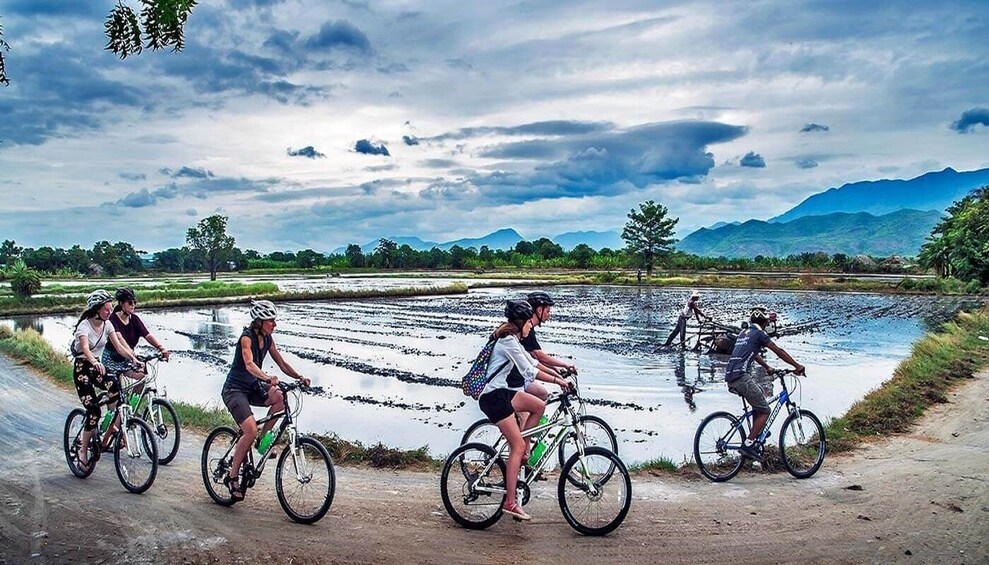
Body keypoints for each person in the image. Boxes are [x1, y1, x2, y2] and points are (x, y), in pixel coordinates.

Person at [477, 300, 572, 521]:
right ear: (522, 322)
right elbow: (529, 370)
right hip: (494, 398)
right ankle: (510, 502)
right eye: (529, 322)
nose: (531, 326)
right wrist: (559, 382)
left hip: (504, 393)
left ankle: (524, 451)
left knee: (538, 405)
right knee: (516, 445)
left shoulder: (514, 340)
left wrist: (559, 375)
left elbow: (534, 363)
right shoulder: (508, 341)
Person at [221, 299, 310, 502]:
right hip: (234, 390)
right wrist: (267, 377)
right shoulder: (247, 338)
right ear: (260, 321)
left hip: (252, 387)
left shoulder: (268, 339)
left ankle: (262, 440)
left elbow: (281, 362)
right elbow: (250, 364)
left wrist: (299, 377)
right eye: (271, 320)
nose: (274, 324)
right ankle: (232, 477)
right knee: (249, 430)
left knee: (280, 397)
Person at [70, 289, 142, 472]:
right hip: (83, 369)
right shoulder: (84, 327)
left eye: (111, 309)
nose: (110, 312)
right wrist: (94, 361)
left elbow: (119, 347)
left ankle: (110, 430)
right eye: (106, 309)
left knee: (116, 389)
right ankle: (83, 450)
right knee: (93, 410)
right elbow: (85, 348)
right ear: (96, 309)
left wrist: (133, 359)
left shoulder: (108, 325)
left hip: (98, 369)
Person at [725, 306, 805, 460]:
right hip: (741, 377)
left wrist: (767, 367)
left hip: (731, 377)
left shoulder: (744, 333)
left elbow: (752, 354)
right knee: (765, 410)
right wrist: (797, 366)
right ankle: (748, 444)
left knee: (759, 394)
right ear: (765, 323)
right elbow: (779, 351)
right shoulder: (760, 334)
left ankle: (755, 435)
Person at [101, 287, 171, 399]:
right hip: (112, 360)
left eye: (135, 302)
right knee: (116, 394)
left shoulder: (134, 319)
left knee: (142, 377)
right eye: (130, 302)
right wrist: (132, 355)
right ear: (121, 303)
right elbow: (120, 340)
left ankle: (131, 409)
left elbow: (147, 335)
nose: (133, 305)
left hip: (127, 359)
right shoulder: (112, 319)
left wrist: (161, 348)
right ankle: (115, 414)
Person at [522, 291, 577, 392]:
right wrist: (564, 366)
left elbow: (535, 358)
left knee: (542, 394)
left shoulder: (528, 327)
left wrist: (555, 369)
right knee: (541, 394)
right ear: (539, 310)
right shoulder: (524, 330)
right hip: (511, 378)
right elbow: (539, 357)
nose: (549, 315)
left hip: (518, 374)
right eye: (547, 311)